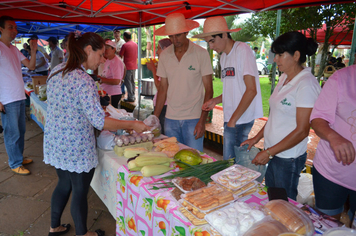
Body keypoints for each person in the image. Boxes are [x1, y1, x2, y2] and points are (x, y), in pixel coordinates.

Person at [44, 32, 149, 236]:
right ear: (88, 50)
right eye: (100, 54)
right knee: (80, 191)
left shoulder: (56, 70)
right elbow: (99, 121)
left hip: (56, 141)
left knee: (64, 184)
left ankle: (54, 227)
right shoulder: (83, 79)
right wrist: (132, 124)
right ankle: (84, 234)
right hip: (76, 145)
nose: (103, 59)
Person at [241, 31, 321, 200]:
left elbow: (302, 130)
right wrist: (255, 138)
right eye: (275, 54)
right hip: (273, 152)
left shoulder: (306, 84)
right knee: (272, 196)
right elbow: (275, 117)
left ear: (296, 55)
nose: (275, 59)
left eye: (280, 55)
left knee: (284, 202)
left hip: (287, 157)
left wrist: (269, 153)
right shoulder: (284, 77)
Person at [194, 16, 263, 161]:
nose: (211, 46)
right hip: (231, 117)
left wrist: (233, 120)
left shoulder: (242, 50)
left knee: (231, 165)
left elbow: (251, 90)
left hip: (240, 119)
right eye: (208, 43)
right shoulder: (224, 57)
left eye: (212, 41)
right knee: (231, 165)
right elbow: (233, 88)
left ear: (224, 34)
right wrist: (216, 100)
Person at [154, 13, 213, 152]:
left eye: (178, 35)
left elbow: (209, 90)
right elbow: (162, 89)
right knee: (173, 161)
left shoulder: (201, 54)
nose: (175, 40)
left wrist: (202, 120)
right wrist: (155, 117)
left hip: (194, 118)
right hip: (170, 119)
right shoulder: (165, 55)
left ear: (186, 31)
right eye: (171, 36)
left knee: (194, 161)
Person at [310, 64, 356, 223]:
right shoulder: (341, 78)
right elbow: (317, 119)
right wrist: (334, 137)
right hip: (331, 172)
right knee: (327, 222)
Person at [0, 15, 37, 175]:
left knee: (21, 131)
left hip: (19, 95)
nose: (14, 31)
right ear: (0, 29)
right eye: (10, 27)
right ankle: (14, 162)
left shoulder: (13, 48)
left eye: (15, 28)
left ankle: (19, 157)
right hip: (7, 98)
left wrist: (34, 50)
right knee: (12, 132)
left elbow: (31, 66)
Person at [146, 38, 172, 134]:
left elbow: (160, 87)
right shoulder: (166, 63)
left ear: (165, 49)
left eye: (158, 48)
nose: (157, 52)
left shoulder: (168, 64)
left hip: (164, 105)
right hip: (163, 104)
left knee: (163, 134)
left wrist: (153, 69)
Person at [98, 39, 126, 108]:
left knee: (111, 114)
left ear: (114, 49)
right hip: (106, 93)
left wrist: (102, 80)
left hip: (113, 94)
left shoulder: (116, 61)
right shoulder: (108, 60)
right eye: (104, 48)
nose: (105, 50)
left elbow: (116, 81)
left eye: (107, 48)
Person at [119, 31, 138, 102]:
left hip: (127, 66)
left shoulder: (125, 45)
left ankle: (130, 97)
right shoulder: (135, 44)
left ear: (124, 37)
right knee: (132, 82)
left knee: (128, 82)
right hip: (134, 66)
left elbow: (120, 56)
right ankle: (132, 96)